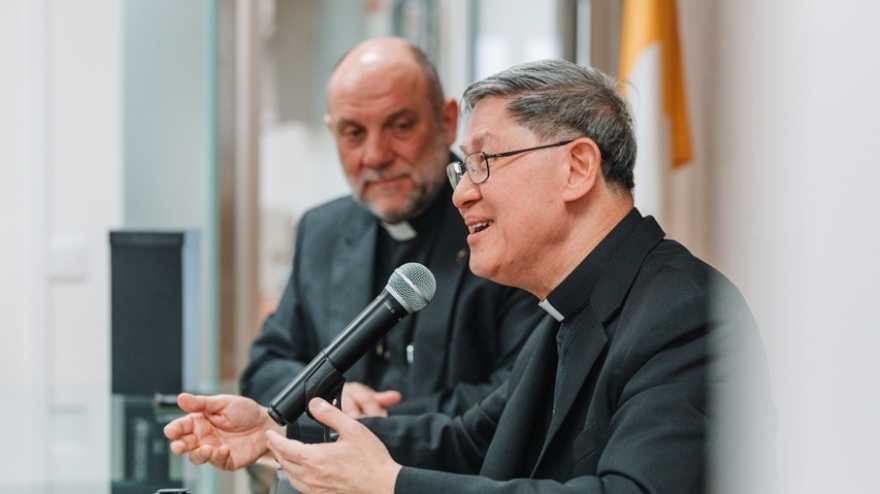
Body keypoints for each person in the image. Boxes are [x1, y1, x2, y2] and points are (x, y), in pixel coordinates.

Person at [166, 59, 775, 493]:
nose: (462, 194)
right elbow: (469, 441)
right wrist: (277, 430)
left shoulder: (686, 312)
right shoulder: (565, 310)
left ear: (577, 168)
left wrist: (391, 485)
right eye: (465, 168)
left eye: (484, 161)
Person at [241, 37, 543, 430]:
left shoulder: (507, 221)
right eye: (353, 133)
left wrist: (377, 422)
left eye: (400, 127)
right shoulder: (321, 231)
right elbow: (264, 367)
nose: (376, 156)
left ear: (447, 121)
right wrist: (331, 395)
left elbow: (523, 391)